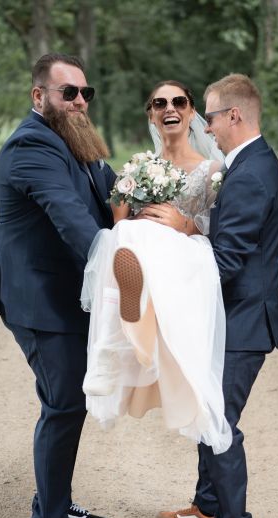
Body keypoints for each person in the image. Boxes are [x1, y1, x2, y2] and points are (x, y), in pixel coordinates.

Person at [0, 53, 117, 518]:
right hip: (38, 298)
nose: (80, 101)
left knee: (71, 400)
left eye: (86, 92)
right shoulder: (32, 145)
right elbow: (70, 215)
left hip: (65, 295)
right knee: (63, 403)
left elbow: (110, 198)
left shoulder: (74, 142)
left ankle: (55, 500)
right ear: (39, 96)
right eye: (69, 92)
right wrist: (117, 264)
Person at [157, 74, 278, 518]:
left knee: (217, 422)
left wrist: (178, 243)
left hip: (244, 320)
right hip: (232, 315)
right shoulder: (249, 164)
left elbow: (227, 259)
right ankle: (207, 508)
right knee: (206, 406)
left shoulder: (251, 174)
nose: (206, 127)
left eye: (209, 117)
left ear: (233, 115)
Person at [81, 81, 232, 455]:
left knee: (128, 237)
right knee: (120, 234)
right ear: (151, 114)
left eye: (179, 101)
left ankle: (110, 350)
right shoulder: (138, 167)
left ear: (192, 112)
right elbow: (121, 223)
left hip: (187, 259)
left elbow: (225, 224)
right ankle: (121, 337)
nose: (170, 108)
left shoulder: (213, 170)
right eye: (160, 103)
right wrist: (123, 207)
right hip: (145, 257)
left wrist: (186, 224)